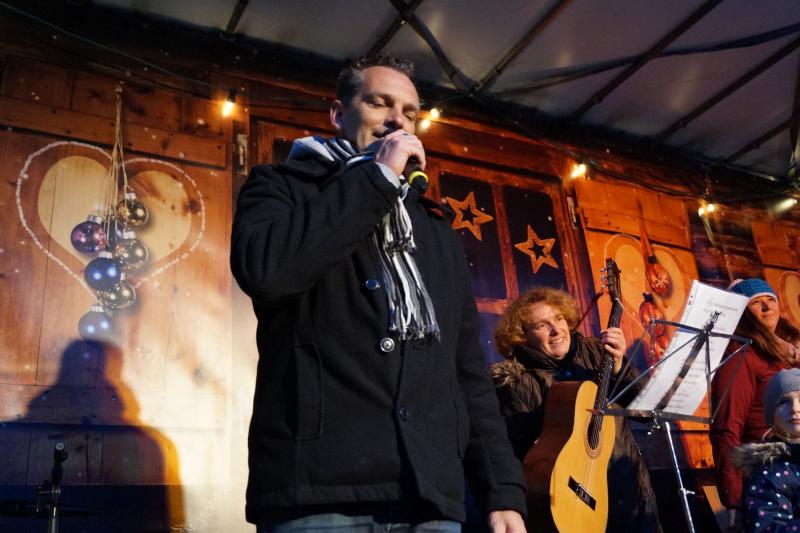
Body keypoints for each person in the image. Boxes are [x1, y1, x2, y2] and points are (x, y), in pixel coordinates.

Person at [230, 54, 526, 532]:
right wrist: (378, 178)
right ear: (337, 114)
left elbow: (466, 372)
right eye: (379, 103)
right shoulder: (283, 187)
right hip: (319, 491)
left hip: (428, 497)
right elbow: (267, 272)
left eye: (409, 112)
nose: (396, 120)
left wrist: (501, 491)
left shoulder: (434, 228)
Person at [490, 287, 661, 532]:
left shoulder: (599, 353)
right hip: (572, 507)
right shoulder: (517, 383)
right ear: (522, 336)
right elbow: (517, 459)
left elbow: (648, 412)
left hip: (630, 496)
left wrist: (619, 368)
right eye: (541, 325)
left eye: (559, 318)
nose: (556, 330)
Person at [710, 278, 800, 528]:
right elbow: (727, 425)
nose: (767, 306)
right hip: (768, 476)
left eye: (770, 299)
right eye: (756, 303)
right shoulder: (742, 354)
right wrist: (733, 497)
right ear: (742, 313)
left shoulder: (789, 352)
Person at [732, 368, 800, 531]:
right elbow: (768, 527)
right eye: (784, 402)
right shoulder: (770, 474)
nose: (795, 408)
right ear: (772, 416)